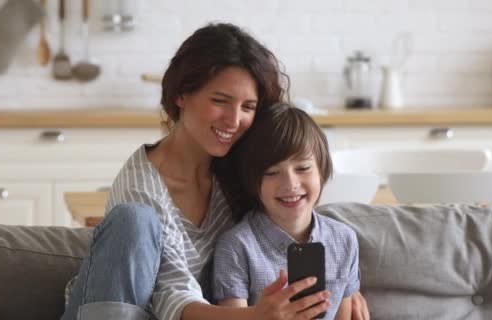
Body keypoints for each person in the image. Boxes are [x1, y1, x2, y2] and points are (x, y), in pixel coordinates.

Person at [62, 23, 369, 320]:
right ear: (182, 94)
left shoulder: (243, 167)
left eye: (248, 107)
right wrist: (255, 317)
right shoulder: (142, 189)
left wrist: (344, 282)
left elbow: (299, 205)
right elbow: (172, 294)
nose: (234, 120)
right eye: (220, 101)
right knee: (134, 219)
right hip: (117, 309)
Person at [212, 102, 360, 320]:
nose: (290, 184)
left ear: (322, 169)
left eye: (303, 168)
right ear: (253, 181)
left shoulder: (344, 240)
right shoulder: (236, 247)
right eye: (272, 172)